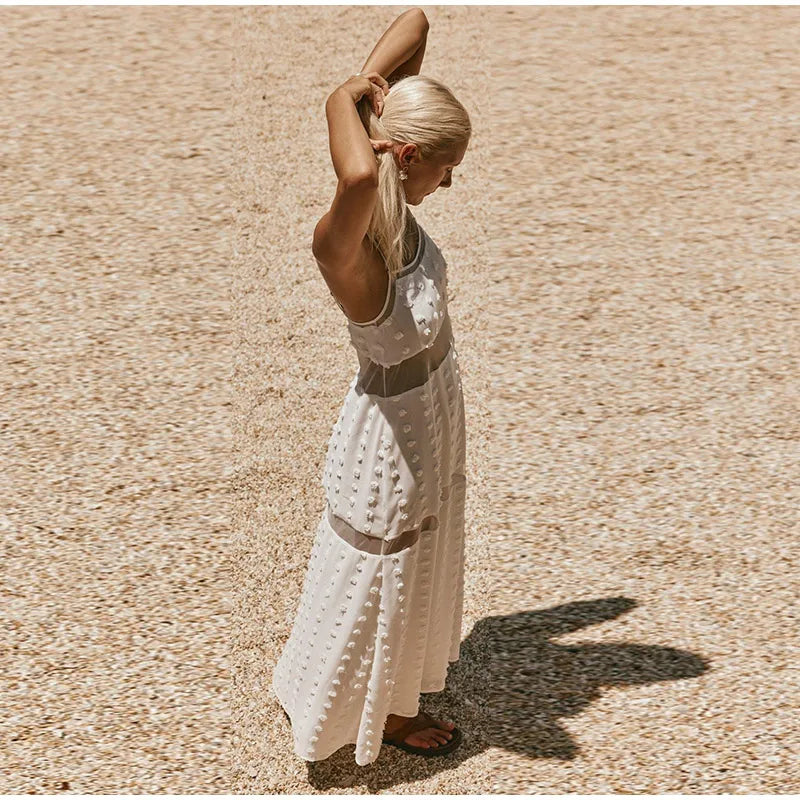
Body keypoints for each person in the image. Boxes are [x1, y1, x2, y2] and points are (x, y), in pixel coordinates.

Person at [270, 8, 472, 766]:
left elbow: (415, 20)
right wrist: (337, 98)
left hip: (433, 412)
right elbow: (356, 171)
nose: (450, 182)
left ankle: (384, 688)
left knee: (416, 562)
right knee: (378, 574)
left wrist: (371, 93)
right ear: (409, 155)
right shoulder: (347, 250)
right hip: (392, 440)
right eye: (445, 166)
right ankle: (368, 713)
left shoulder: (395, 201)